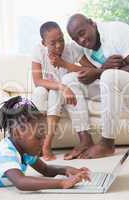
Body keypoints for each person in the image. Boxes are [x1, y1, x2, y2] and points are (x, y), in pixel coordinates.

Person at [60, 14, 129, 159]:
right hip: (110, 93)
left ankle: (107, 143)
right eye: (76, 39)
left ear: (92, 23)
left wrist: (99, 72)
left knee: (108, 76)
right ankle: (85, 140)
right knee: (69, 80)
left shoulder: (117, 30)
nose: (81, 40)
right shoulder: (83, 48)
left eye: (82, 33)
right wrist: (100, 71)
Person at [31, 21, 94, 161]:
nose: (59, 45)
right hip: (53, 89)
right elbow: (37, 81)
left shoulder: (72, 49)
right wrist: (62, 87)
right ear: (44, 43)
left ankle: (46, 146)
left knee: (55, 93)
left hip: (62, 93)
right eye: (53, 43)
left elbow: (91, 71)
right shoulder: (38, 51)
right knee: (39, 92)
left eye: (61, 40)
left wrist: (64, 64)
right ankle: (35, 143)